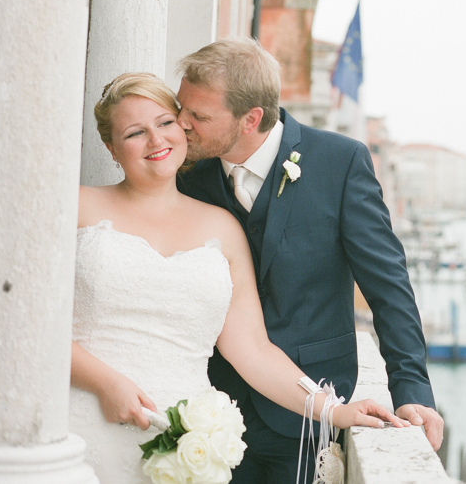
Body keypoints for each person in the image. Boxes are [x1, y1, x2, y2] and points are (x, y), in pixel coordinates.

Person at [70, 73, 408, 484]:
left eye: (165, 123)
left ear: (184, 127)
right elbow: (26, 321)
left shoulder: (223, 227)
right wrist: (106, 382)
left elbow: (251, 350)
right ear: (111, 148)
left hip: (185, 437)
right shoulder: (77, 207)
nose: (156, 140)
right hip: (82, 413)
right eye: (135, 132)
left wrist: (333, 410)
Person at [175, 37, 443, 484]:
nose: (180, 125)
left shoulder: (339, 161)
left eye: (198, 116)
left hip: (308, 415)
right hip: (207, 411)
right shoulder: (188, 173)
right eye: (180, 108)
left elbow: (387, 284)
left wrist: (411, 388)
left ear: (251, 119)